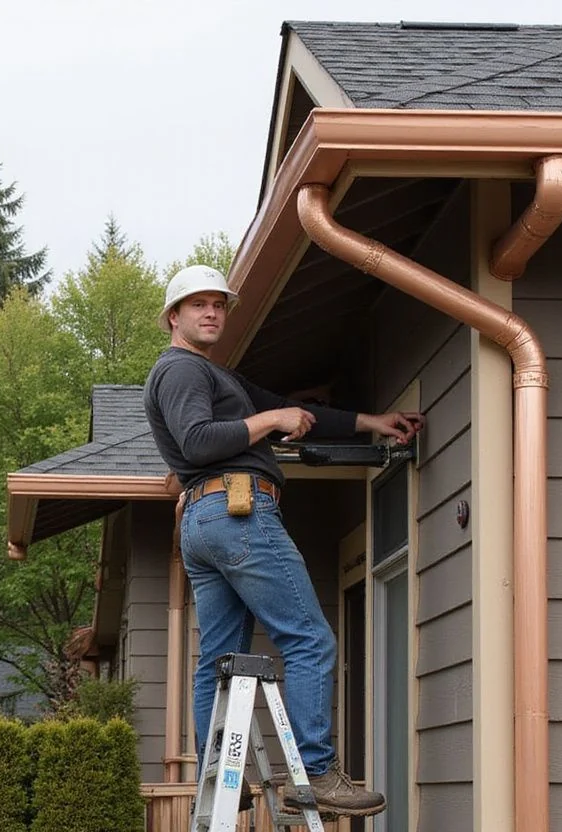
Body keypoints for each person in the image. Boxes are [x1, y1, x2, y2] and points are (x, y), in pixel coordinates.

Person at [143, 264, 423, 818]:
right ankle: (316, 773)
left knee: (220, 661)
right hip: (236, 511)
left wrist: (372, 422)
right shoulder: (179, 371)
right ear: (173, 317)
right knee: (310, 640)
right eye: (198, 304)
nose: (212, 312)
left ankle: (217, 774)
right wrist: (272, 418)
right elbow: (198, 442)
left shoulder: (218, 377)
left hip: (208, 521)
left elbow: (303, 414)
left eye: (219, 304)